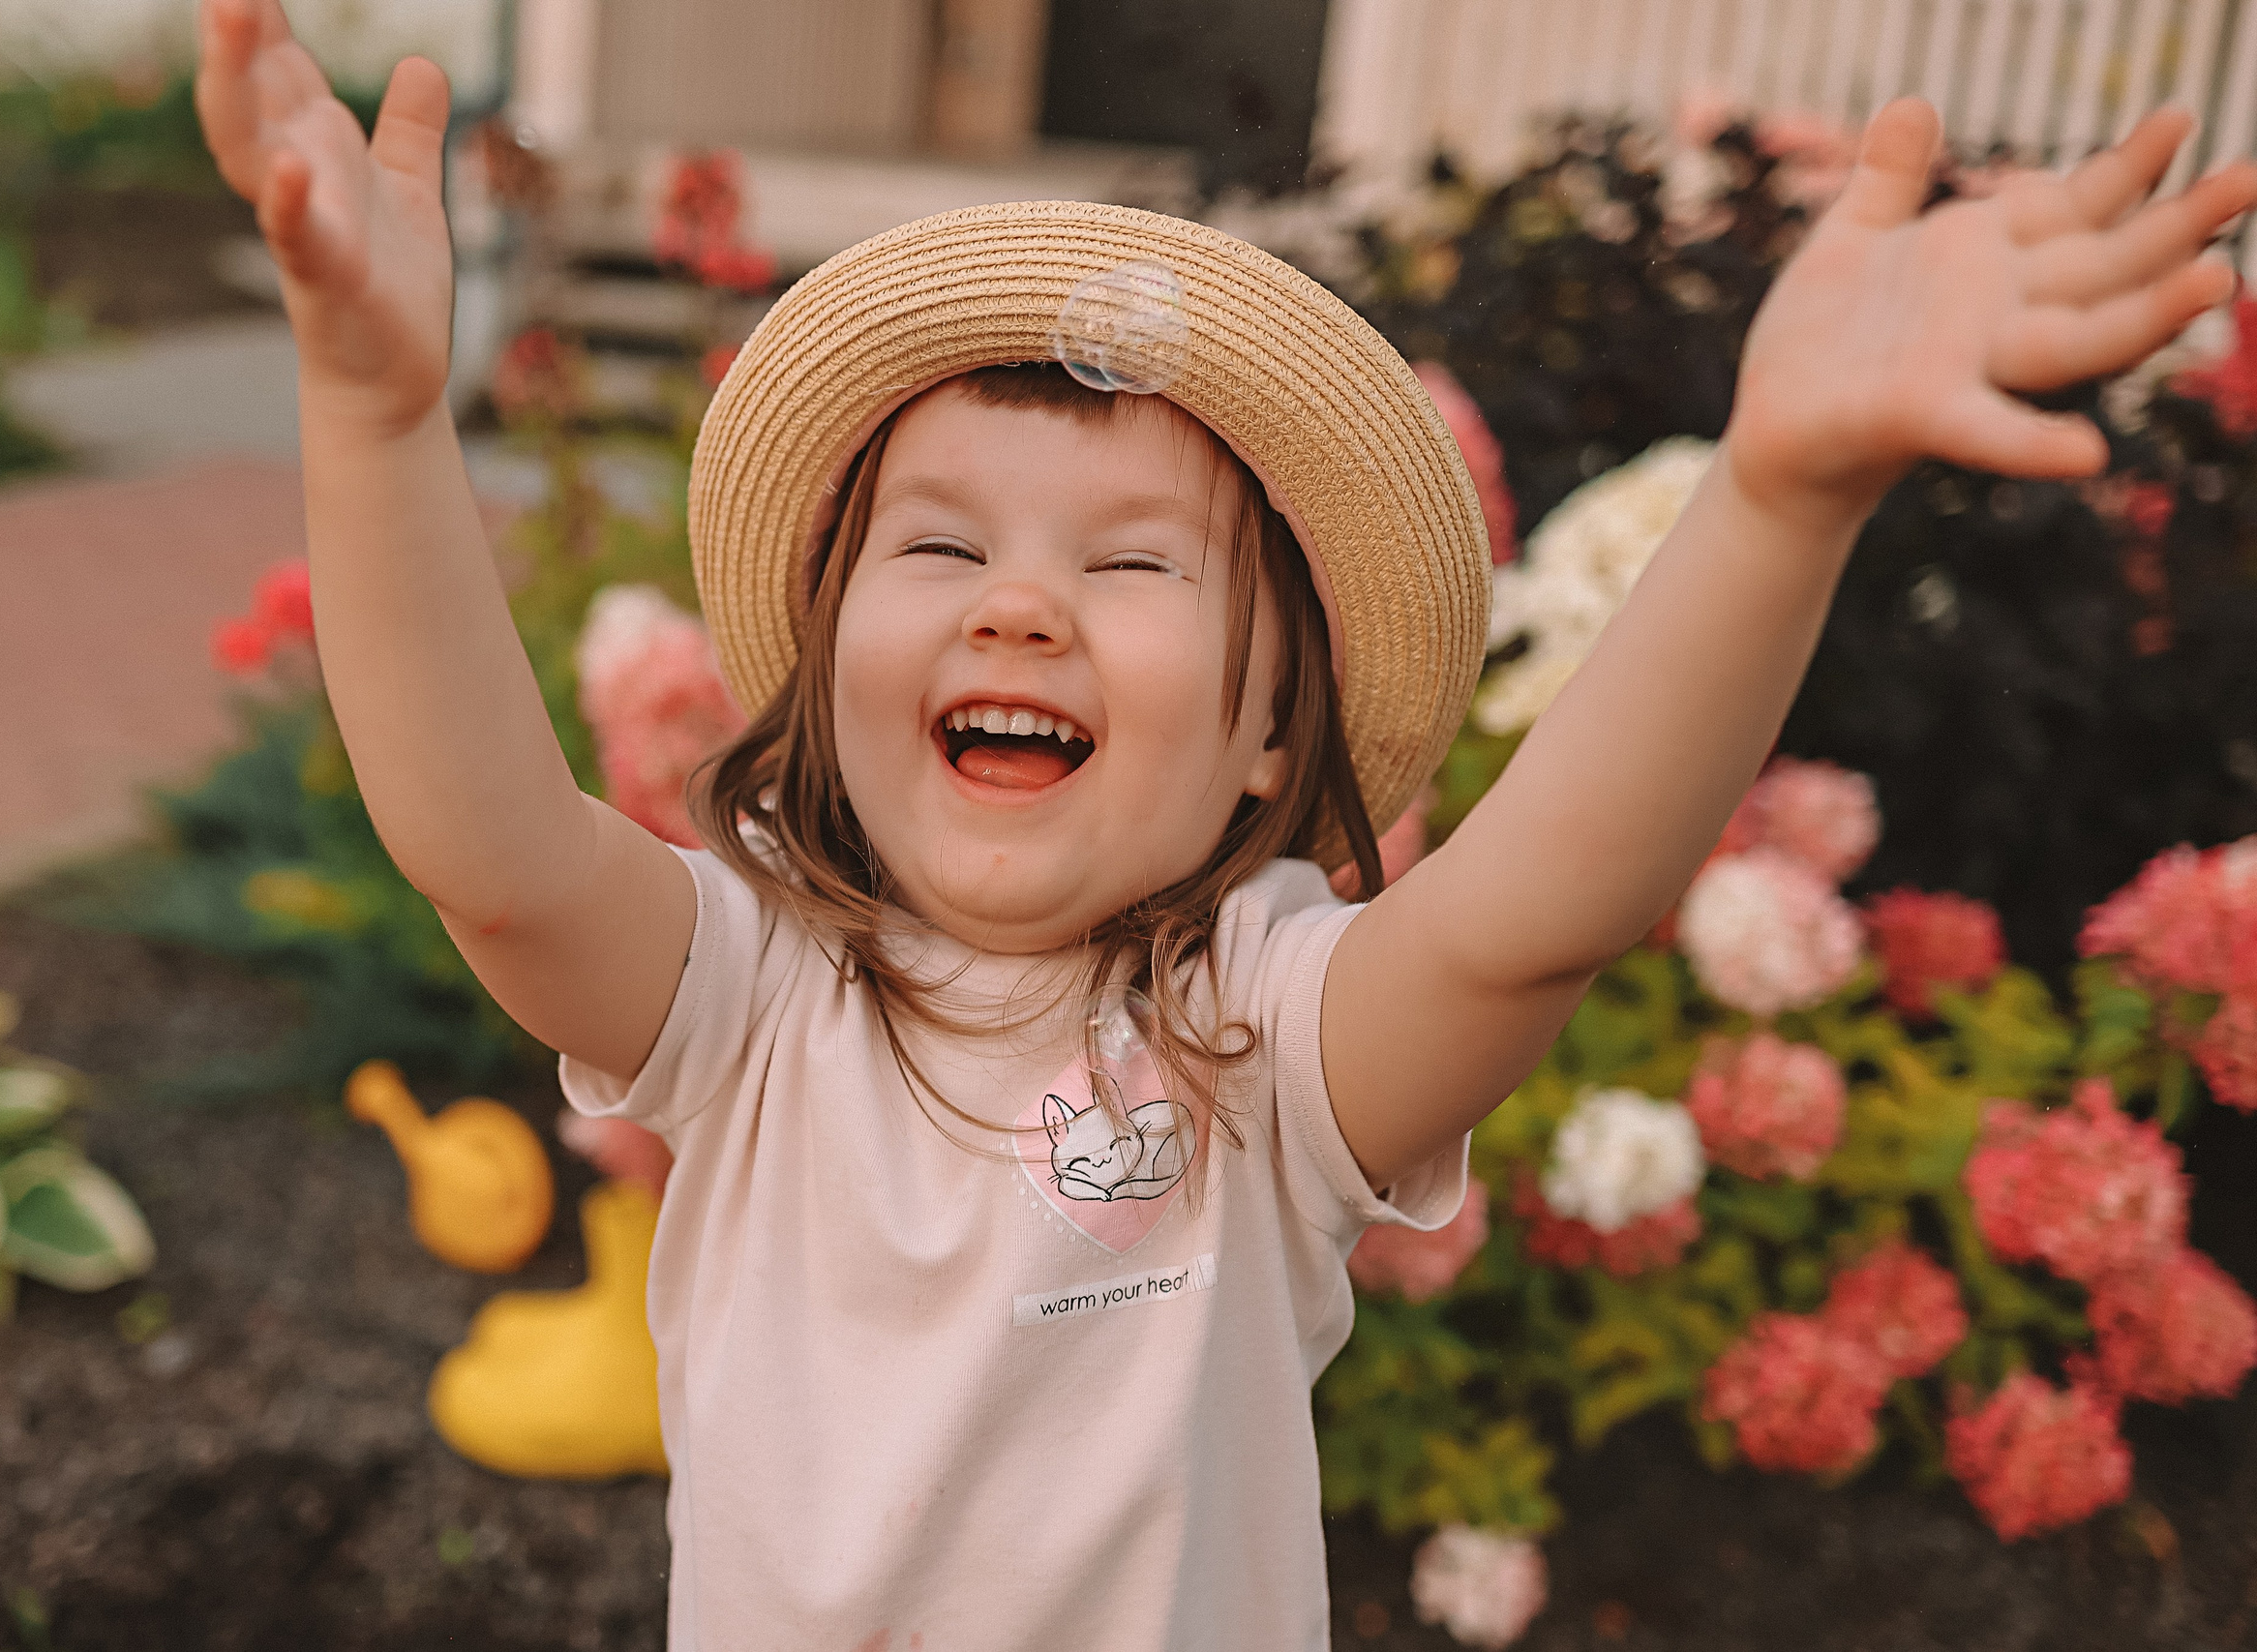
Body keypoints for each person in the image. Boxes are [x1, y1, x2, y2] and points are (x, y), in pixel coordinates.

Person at [195, 1, 2257, 1644]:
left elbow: (1536, 913)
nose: (1021, 605)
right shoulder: (747, 991)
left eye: (1130, 566)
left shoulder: (1259, 1033)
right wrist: (378, 412)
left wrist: (1778, 494)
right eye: (941, 545)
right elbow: (486, 844)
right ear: (822, 664)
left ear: (1273, 733)